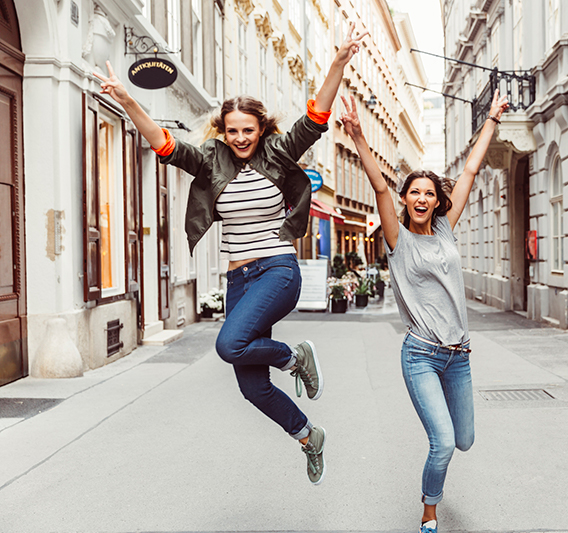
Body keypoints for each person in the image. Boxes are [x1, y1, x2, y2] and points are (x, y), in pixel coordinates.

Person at [94, 23, 368, 486]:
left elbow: (316, 116)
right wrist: (126, 100)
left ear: (262, 130)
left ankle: (294, 357)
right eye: (233, 131)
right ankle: (307, 434)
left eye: (249, 130)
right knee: (251, 385)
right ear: (222, 130)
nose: (241, 138)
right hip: (239, 280)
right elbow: (162, 141)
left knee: (228, 346)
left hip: (278, 270)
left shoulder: (279, 153)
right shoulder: (208, 159)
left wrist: (339, 61)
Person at [340, 90, 509, 532]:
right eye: (413, 192)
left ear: (437, 201)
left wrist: (490, 119)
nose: (420, 198)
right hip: (420, 355)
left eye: (428, 193)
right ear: (407, 199)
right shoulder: (398, 240)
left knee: (465, 440)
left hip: (460, 358)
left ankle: (435, 490)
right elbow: (379, 186)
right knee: (444, 443)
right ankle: (429, 514)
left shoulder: (447, 232)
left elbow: (470, 169)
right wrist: (358, 136)